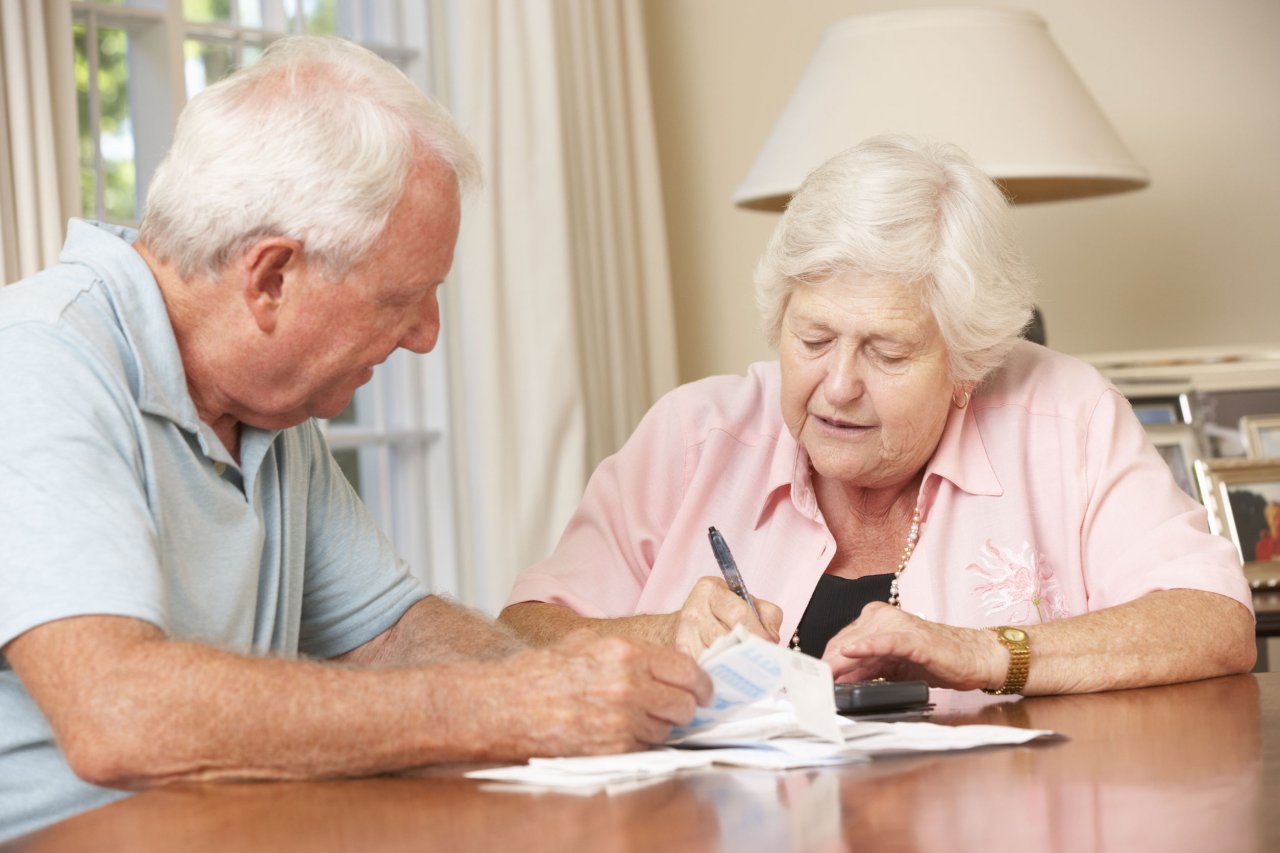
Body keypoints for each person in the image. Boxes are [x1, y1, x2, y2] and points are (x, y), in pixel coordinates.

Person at [0, 36, 710, 842]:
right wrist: (514, 706)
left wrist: (568, 683)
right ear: (271, 279)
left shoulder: (268, 409)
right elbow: (116, 714)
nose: (425, 335)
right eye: (401, 298)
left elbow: (393, 634)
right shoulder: (38, 362)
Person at [500, 134, 1256, 695]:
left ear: (967, 366)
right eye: (814, 338)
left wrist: (989, 652)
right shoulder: (694, 436)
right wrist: (660, 632)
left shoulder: (1065, 420)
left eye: (887, 353)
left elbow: (1213, 620)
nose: (837, 386)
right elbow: (522, 633)